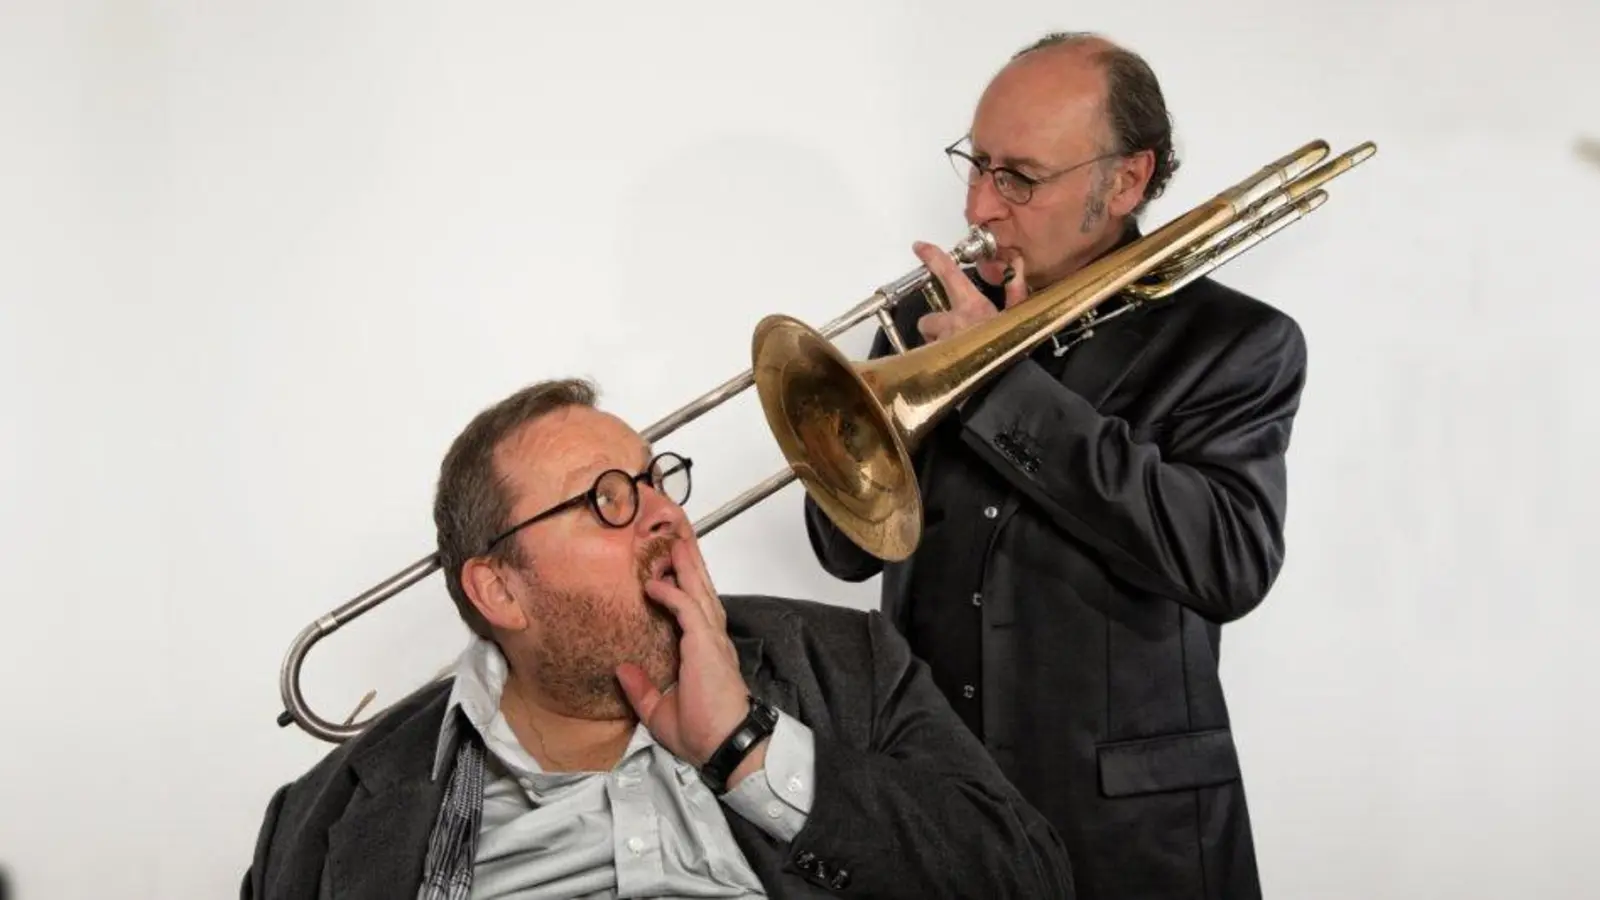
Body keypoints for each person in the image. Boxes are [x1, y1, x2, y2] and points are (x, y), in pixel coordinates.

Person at [802, 31, 1308, 900]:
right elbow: (845, 548)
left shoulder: (1238, 344)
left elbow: (1228, 562)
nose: (979, 208)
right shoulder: (927, 318)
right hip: (932, 812)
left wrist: (996, 389)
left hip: (1133, 839)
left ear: (1127, 180)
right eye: (976, 164)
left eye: (1019, 178)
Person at [242, 378, 1075, 900]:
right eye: (608, 498)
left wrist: (746, 748)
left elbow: (1029, 881)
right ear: (500, 587)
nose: (666, 513)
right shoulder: (326, 814)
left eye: (653, 479)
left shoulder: (846, 665)